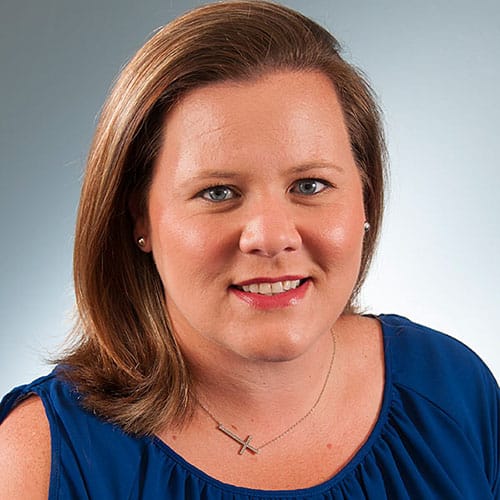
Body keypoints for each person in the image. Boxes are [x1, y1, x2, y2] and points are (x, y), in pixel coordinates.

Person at [0, 1, 498, 498]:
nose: (271, 236)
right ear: (140, 219)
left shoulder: (452, 389)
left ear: (365, 197)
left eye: (310, 185)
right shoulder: (37, 459)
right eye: (218, 192)